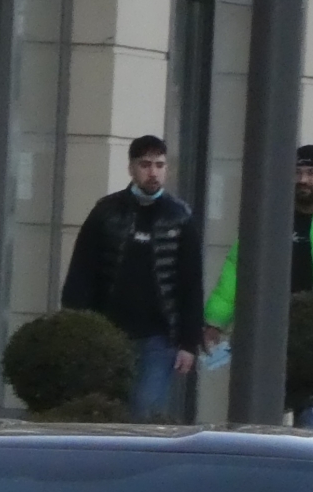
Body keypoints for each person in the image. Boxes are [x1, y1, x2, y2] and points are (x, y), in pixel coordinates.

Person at [203, 144, 313, 428]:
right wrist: (215, 320)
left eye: (311, 172)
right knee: (261, 422)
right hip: (269, 337)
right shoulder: (267, 218)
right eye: (296, 172)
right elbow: (238, 268)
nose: (303, 179)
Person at [62, 134, 205, 421]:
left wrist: (189, 343)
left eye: (159, 165)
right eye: (145, 165)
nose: (153, 172)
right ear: (131, 168)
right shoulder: (106, 211)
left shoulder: (180, 217)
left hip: (159, 336)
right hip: (108, 329)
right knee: (105, 408)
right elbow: (82, 270)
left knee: (143, 409)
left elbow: (190, 284)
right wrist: (75, 323)